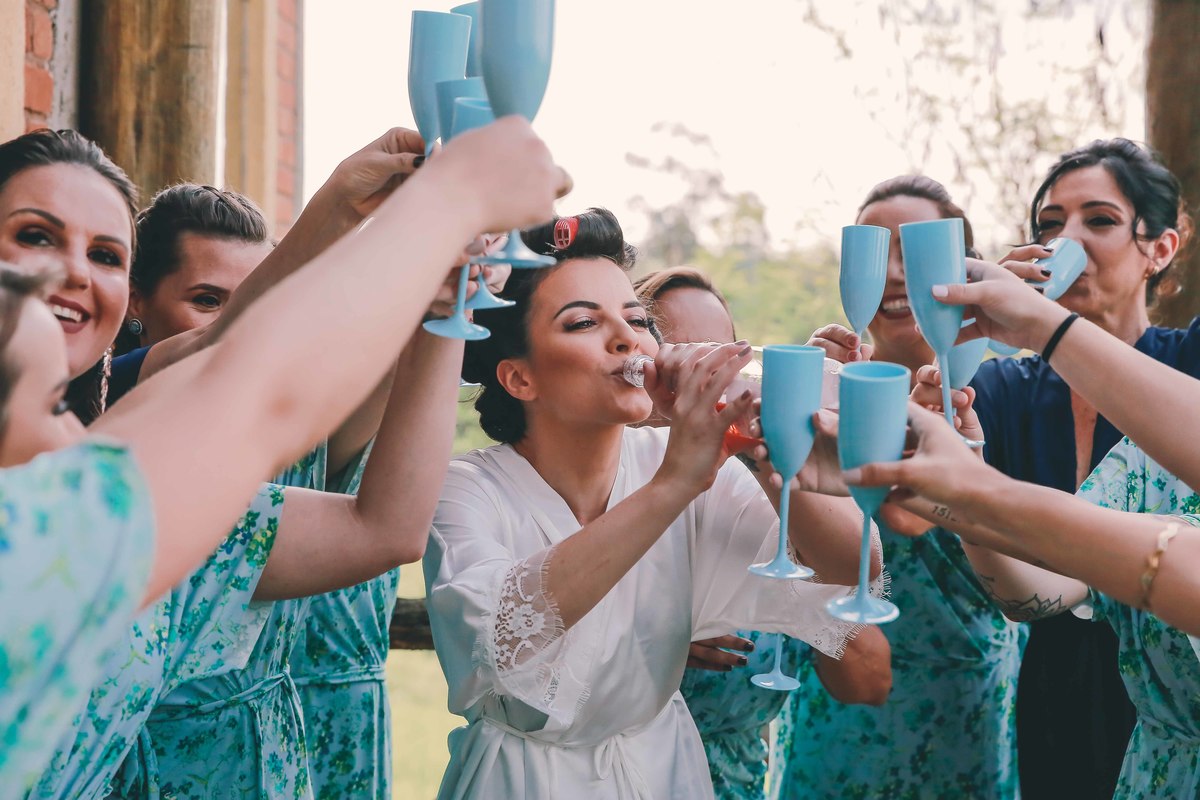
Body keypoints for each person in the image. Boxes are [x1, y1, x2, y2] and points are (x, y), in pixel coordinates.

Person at [0, 118, 568, 796]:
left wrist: (436, 299)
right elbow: (252, 388)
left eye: (107, 255)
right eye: (33, 235)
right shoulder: (50, 528)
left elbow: (379, 523)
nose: (70, 273)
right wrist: (449, 202)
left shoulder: (94, 485)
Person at [424, 208, 881, 799]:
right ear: (519, 379)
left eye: (637, 319)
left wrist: (765, 448)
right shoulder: (467, 489)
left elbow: (855, 567)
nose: (627, 338)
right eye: (583, 322)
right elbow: (496, 637)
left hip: (663, 770)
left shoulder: (678, 461)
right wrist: (675, 484)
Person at [780, 176, 1026, 799]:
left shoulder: (999, 395)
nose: (892, 273)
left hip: (958, 697)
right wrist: (808, 409)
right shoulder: (823, 387)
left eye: (912, 253)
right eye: (872, 250)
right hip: (834, 688)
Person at [633, 266, 891, 800]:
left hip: (737, 778)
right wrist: (650, 642)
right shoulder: (604, 484)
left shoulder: (757, 492)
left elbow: (868, 680)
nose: (706, 378)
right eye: (682, 356)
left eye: (722, 356)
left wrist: (784, 446)